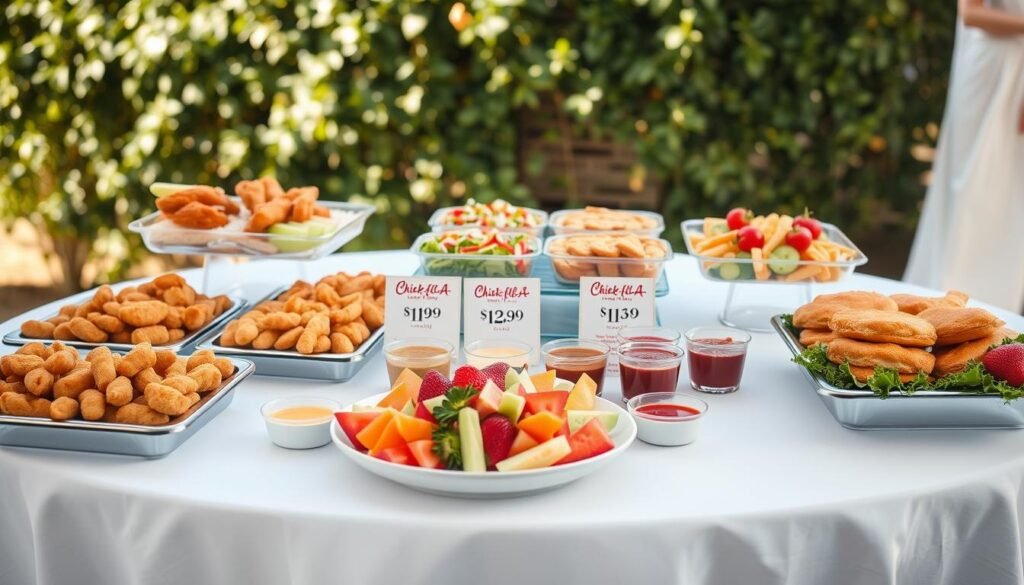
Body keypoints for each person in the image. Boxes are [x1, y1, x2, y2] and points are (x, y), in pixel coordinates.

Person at [904, 0, 1024, 312]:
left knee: (1013, 200)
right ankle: (943, 309)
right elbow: (971, 12)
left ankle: (998, 319)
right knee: (972, 189)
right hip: (989, 72)